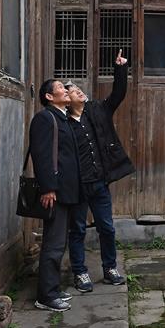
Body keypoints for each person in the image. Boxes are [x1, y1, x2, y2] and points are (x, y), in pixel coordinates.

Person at [63, 48, 135, 293]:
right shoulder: (63, 123)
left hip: (99, 183)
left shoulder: (97, 110)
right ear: (66, 100)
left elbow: (118, 94)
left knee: (107, 227)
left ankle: (110, 268)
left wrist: (121, 68)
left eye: (78, 89)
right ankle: (80, 272)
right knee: (77, 230)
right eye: (73, 91)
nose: (79, 91)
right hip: (78, 186)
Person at [28, 78, 83, 312]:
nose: (66, 90)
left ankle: (52, 288)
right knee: (53, 243)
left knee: (59, 243)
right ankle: (46, 296)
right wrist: (48, 187)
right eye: (60, 87)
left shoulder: (63, 118)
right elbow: (41, 155)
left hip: (67, 191)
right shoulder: (44, 118)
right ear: (49, 97)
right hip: (55, 192)